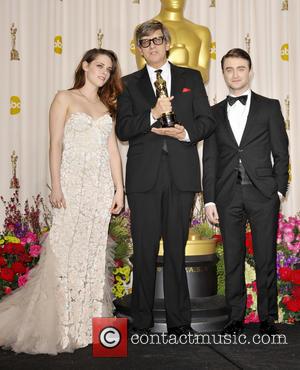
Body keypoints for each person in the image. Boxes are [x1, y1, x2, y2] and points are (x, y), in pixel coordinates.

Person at [0, 48, 124, 354]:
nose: (103, 72)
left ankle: (88, 326)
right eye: (99, 66)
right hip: (70, 186)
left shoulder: (107, 106)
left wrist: (119, 190)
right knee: (64, 253)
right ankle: (61, 327)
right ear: (84, 66)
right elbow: (55, 145)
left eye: (108, 69)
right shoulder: (64, 98)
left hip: (100, 189)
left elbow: (112, 152)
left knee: (93, 255)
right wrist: (56, 186)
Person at [116, 20, 215, 336]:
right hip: (143, 179)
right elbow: (123, 129)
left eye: (157, 39)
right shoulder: (128, 84)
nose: (153, 46)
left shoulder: (191, 78)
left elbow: (207, 122)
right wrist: (151, 114)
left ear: (167, 43)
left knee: (175, 251)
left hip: (181, 176)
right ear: (139, 49)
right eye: (145, 42)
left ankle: (180, 322)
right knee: (143, 252)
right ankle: (142, 322)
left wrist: (185, 132)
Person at [203, 48, 289, 336]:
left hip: (263, 193)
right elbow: (211, 159)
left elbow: (281, 152)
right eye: (229, 69)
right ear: (223, 73)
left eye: (240, 68)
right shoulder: (213, 113)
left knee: (266, 257)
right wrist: (210, 198)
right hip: (227, 196)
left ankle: (268, 318)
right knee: (233, 258)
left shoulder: (269, 107)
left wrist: (278, 191)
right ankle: (235, 317)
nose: (235, 74)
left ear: (250, 71)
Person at [131, 0, 211, 83]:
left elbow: (204, 75)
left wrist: (181, 68)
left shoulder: (201, 32)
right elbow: (143, 71)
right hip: (153, 94)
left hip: (190, 94)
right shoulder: (143, 31)